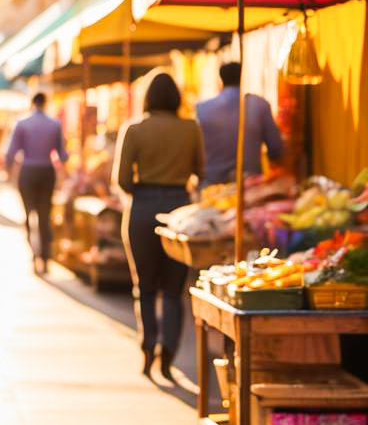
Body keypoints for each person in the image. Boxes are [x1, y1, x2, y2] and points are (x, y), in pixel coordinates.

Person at [112, 72, 204, 380]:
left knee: (145, 288)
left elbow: (123, 179)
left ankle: (148, 345)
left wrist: (145, 190)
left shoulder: (135, 129)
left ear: (148, 97)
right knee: (174, 290)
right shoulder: (191, 128)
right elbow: (200, 170)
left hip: (142, 207)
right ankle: (169, 353)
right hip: (180, 210)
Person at [4, 91, 67, 274]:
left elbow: (11, 152)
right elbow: (62, 155)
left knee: (28, 213)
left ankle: (33, 254)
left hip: (28, 172)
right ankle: (45, 258)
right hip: (47, 172)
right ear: (46, 103)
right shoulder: (55, 124)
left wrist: (8, 170)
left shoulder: (22, 124)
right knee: (45, 215)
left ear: (32, 103)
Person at [196, 60, 284, 186]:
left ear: (221, 79)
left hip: (213, 187)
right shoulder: (260, 105)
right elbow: (276, 149)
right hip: (249, 187)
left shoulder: (202, 109)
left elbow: (197, 155)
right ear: (243, 76)